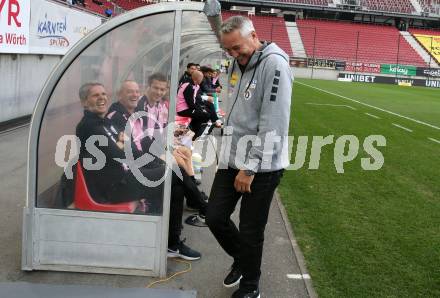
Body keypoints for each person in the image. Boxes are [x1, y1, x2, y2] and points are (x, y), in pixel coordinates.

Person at [206, 16, 293, 298]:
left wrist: (251, 167)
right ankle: (243, 261)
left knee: (250, 229)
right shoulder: (235, 64)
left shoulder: (274, 64)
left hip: (261, 166)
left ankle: (251, 287)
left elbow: (274, 124)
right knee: (214, 216)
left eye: (237, 48)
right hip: (231, 159)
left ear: (254, 36)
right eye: (228, 50)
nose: (233, 55)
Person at [77, 81, 201, 260]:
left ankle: (172, 241)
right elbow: (120, 153)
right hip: (114, 186)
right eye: (95, 95)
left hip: (124, 177)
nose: (102, 98)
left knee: (174, 182)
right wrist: (121, 144)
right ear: (84, 101)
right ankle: (201, 208)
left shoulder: (102, 123)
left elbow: (126, 148)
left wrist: (121, 144)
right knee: (173, 173)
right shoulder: (90, 126)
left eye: (103, 94)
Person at [137, 73, 209, 226]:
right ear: (148, 86)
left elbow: (163, 130)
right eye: (155, 88)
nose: (159, 92)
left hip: (157, 147)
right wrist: (166, 151)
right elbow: (144, 141)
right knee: (178, 164)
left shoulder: (159, 105)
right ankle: (201, 204)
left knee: (185, 152)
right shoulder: (140, 106)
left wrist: (173, 145)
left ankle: (194, 198)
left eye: (162, 89)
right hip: (146, 153)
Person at [176, 70, 221, 140]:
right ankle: (194, 134)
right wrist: (200, 109)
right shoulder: (189, 86)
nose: (202, 80)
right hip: (183, 110)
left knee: (206, 112)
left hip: (188, 108)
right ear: (198, 79)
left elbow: (195, 100)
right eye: (201, 78)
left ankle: (194, 131)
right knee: (205, 115)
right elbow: (190, 103)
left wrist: (201, 108)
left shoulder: (194, 85)